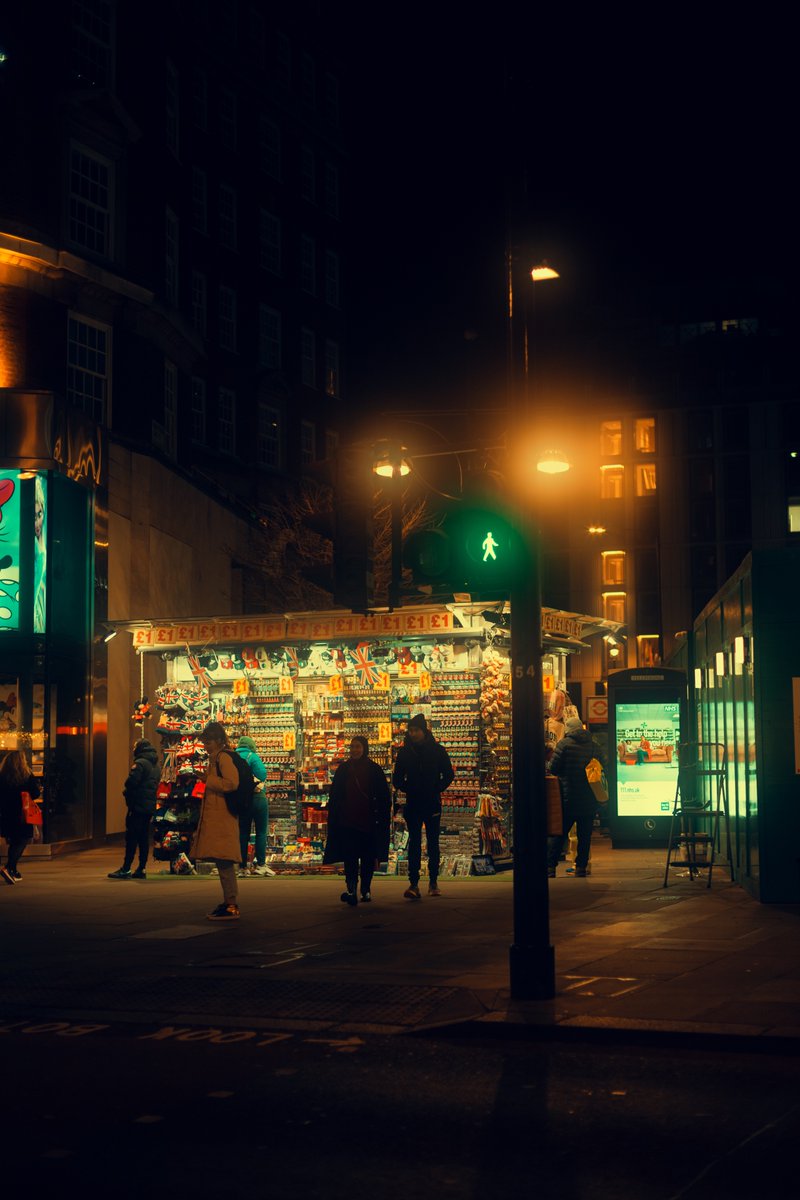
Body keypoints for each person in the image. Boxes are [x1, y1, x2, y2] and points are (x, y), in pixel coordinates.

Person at [323, 736, 391, 905]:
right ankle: (351, 888)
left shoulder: (374, 769)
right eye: (352, 747)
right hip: (348, 821)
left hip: (368, 821)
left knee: (368, 857)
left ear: (364, 748)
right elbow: (336, 795)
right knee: (350, 857)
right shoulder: (344, 769)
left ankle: (366, 889)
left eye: (358, 746)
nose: (355, 750)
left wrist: (382, 816)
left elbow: (383, 796)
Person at [392, 714, 454, 899]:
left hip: (432, 802)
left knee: (433, 843)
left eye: (416, 730)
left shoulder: (437, 751)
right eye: (411, 731)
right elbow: (397, 779)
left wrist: (436, 788)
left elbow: (449, 774)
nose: (413, 734)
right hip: (413, 803)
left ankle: (433, 882)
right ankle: (413, 884)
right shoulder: (404, 753)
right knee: (415, 844)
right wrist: (409, 788)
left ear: (424, 730)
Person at [193, 721, 242, 920]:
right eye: (205, 742)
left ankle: (231, 904)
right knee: (223, 862)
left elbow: (231, 783)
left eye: (209, 741)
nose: (206, 745)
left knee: (224, 861)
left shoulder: (223, 758)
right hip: (219, 816)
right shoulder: (217, 758)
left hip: (223, 817)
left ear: (220, 740)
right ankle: (228, 902)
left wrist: (208, 780)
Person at [547, 716, 602, 879]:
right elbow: (602, 766)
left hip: (567, 798)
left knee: (559, 834)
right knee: (584, 836)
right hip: (589, 799)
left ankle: (550, 867)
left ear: (569, 730)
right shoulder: (593, 745)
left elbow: (553, 768)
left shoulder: (564, 745)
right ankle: (581, 868)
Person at [108, 738, 160, 879]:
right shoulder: (155, 766)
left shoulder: (140, 763)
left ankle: (126, 868)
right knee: (143, 837)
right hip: (148, 807)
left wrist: (126, 793)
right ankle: (141, 868)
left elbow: (131, 782)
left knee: (131, 837)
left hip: (137, 805)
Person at [0, 750, 41, 884]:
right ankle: (10, 867)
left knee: (14, 841)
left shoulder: (2, 775)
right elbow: (34, 793)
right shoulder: (27, 775)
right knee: (21, 841)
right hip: (23, 814)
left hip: (6, 813)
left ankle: (13, 870)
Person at [235, 734, 274, 876]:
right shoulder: (252, 756)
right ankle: (261, 865)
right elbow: (262, 774)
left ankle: (242, 867)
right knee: (261, 832)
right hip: (257, 798)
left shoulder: (233, 757)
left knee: (243, 833)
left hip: (241, 800)